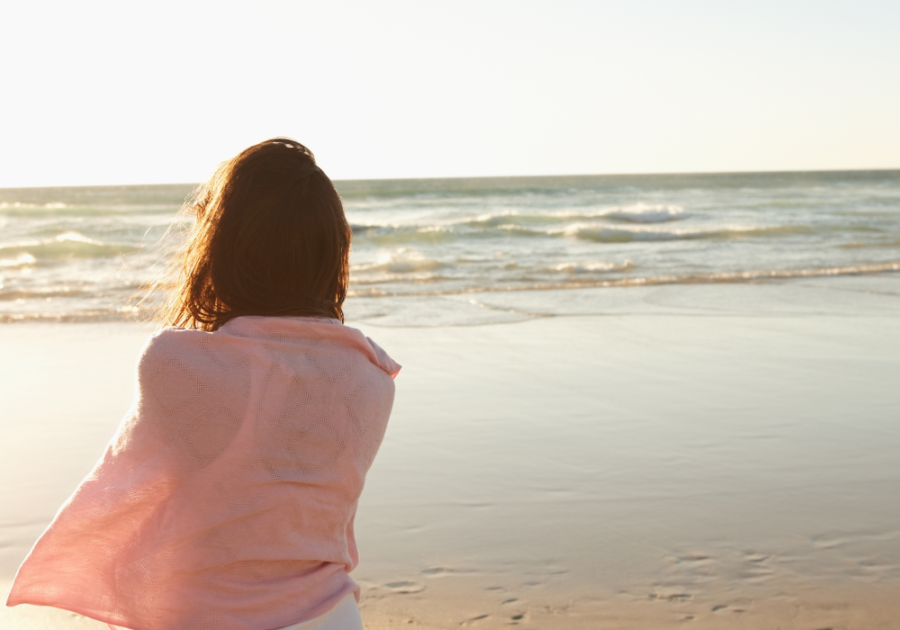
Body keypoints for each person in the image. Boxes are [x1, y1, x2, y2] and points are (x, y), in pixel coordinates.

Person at [6, 139, 400, 630]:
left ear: (223, 246)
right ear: (332, 250)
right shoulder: (372, 377)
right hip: (329, 618)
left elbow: (143, 500)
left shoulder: (174, 363)